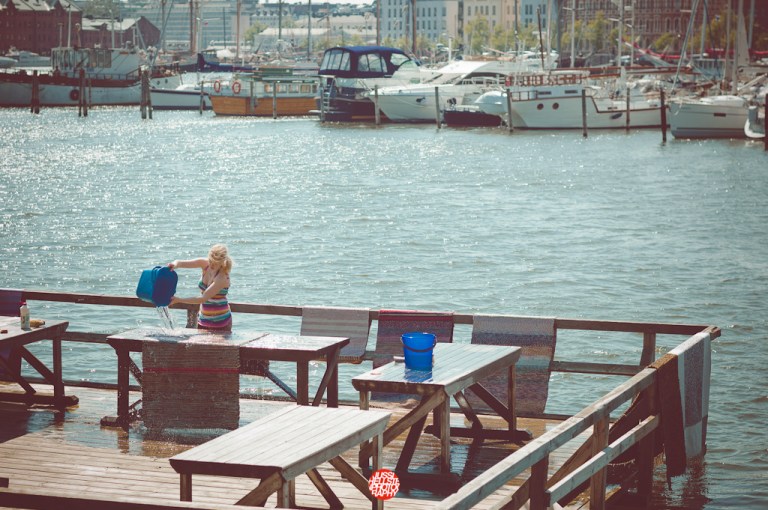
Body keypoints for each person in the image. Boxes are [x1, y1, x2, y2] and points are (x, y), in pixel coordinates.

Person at [168, 244, 233, 331]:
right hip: (203, 320)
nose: (212, 265)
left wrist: (179, 299)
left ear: (222, 262)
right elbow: (181, 263)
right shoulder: (205, 264)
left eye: (215, 263)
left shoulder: (222, 277)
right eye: (210, 261)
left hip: (221, 322)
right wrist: (174, 265)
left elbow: (203, 298)